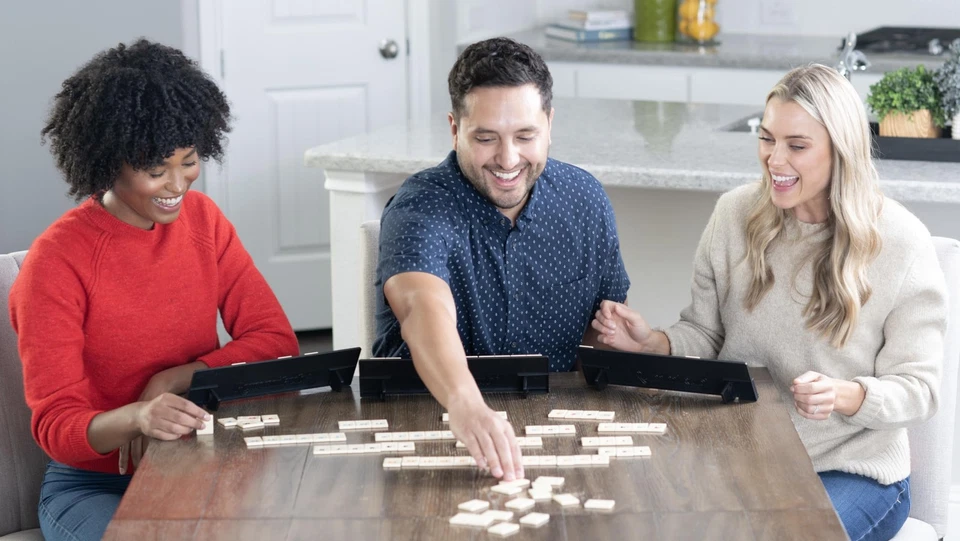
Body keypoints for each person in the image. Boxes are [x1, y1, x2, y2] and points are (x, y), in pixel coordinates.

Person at [592, 64, 946, 541]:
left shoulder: (901, 242)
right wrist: (652, 342)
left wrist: (846, 394)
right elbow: (705, 335)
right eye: (766, 139)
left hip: (852, 470)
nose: (775, 160)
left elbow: (920, 389)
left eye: (797, 146)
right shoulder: (735, 214)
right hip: (743, 455)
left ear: (840, 150)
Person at [9, 39, 300, 541]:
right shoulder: (56, 262)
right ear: (109, 162)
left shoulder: (205, 222)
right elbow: (57, 429)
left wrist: (176, 378)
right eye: (154, 170)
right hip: (94, 487)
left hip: (200, 466)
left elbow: (276, 343)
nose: (178, 185)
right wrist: (137, 417)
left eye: (189, 161)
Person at [374, 37, 630, 481]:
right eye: (486, 138)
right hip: (427, 422)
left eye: (525, 136)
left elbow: (600, 332)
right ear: (454, 129)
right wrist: (466, 403)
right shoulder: (422, 205)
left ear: (549, 124)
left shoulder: (586, 199)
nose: (508, 159)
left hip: (554, 432)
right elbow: (421, 306)